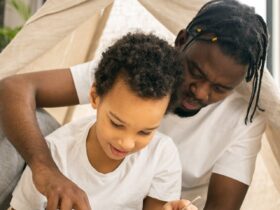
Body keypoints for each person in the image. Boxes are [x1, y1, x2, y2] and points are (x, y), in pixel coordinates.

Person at [0, 0, 269, 209]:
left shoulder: (239, 122)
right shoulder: (138, 69)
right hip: (72, 185)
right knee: (16, 122)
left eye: (220, 89)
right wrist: (45, 168)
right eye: (194, 72)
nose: (200, 92)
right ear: (181, 41)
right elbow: (13, 88)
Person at [9, 32, 197, 210]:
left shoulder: (162, 155)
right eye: (117, 124)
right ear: (94, 97)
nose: (127, 142)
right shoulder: (57, 153)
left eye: (145, 132)